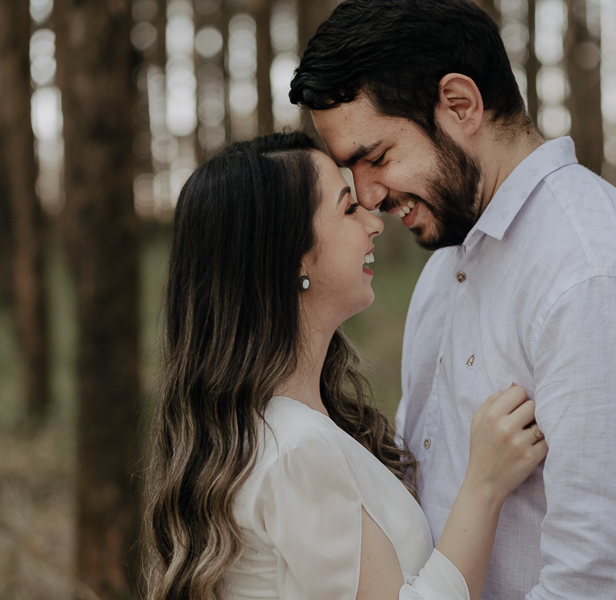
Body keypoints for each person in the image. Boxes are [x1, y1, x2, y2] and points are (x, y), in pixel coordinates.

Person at [289, 1, 616, 598]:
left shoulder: (595, 276)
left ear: (460, 105)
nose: (367, 194)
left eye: (377, 157)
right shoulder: (446, 269)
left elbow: (606, 583)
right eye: (349, 169)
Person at [143, 131, 548, 600]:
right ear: (291, 256)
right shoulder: (297, 450)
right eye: (348, 208)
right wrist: (485, 484)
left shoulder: (271, 429)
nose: (374, 223)